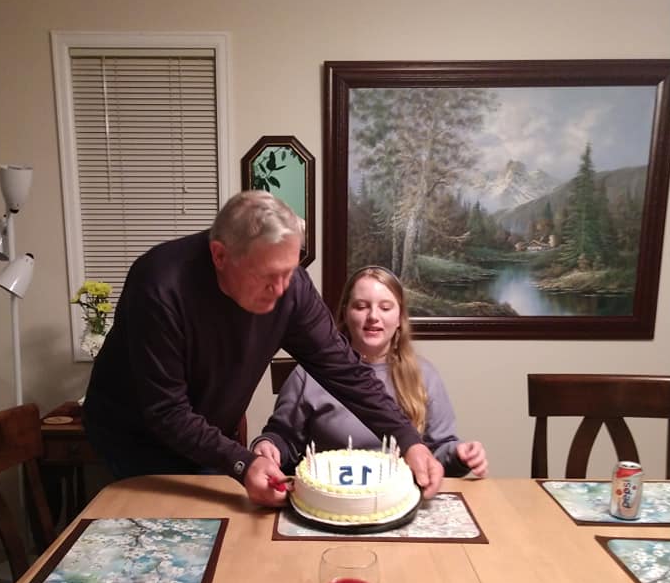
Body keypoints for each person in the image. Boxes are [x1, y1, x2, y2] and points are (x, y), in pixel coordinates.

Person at [82, 191, 444, 507]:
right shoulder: (159, 285)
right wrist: (242, 462)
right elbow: (166, 410)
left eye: (290, 271)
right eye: (268, 276)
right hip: (137, 436)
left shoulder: (290, 287)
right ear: (220, 256)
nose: (282, 288)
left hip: (204, 431)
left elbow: (344, 370)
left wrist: (408, 439)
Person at [252, 265, 488, 479]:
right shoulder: (307, 374)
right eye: (361, 306)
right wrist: (269, 445)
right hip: (333, 499)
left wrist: (459, 455)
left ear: (400, 318)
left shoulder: (425, 375)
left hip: (402, 500)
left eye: (385, 307)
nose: (373, 317)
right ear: (345, 313)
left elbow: (438, 452)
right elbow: (283, 438)